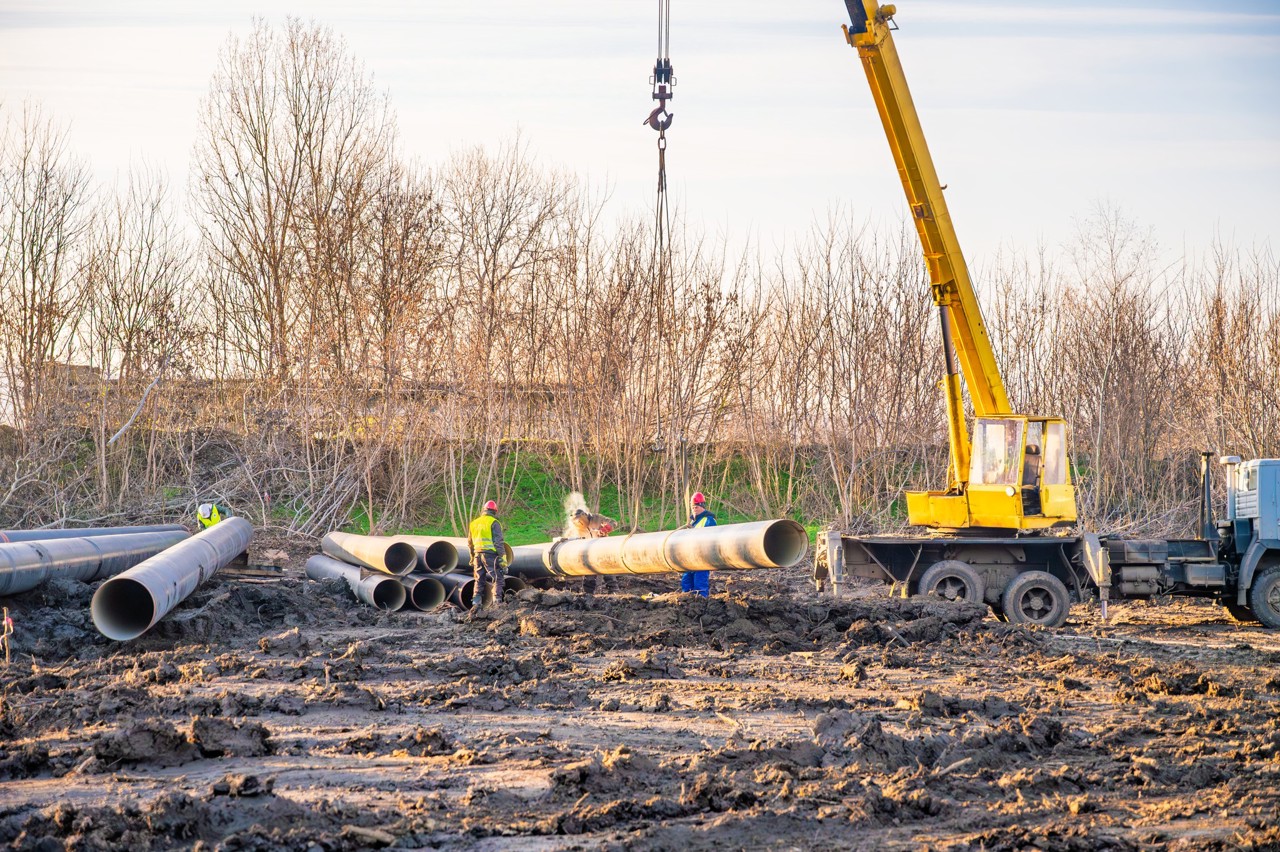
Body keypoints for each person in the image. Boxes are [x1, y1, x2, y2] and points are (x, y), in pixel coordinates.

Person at [468, 499, 507, 612]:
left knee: (479, 578)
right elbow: (498, 542)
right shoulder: (494, 522)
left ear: (483, 510)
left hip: (477, 554)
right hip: (490, 555)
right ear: (494, 511)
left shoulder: (474, 523)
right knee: (498, 577)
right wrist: (503, 558)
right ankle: (497, 604)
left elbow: (470, 543)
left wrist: (472, 557)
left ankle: (476, 604)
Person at [680, 492, 716, 597]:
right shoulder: (692, 523)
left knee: (700, 584)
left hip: (702, 558)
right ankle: (686, 601)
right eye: (693, 507)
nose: (694, 509)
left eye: (696, 507)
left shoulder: (709, 520)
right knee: (686, 582)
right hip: (690, 558)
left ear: (702, 506)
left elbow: (711, 539)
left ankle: (702, 602)